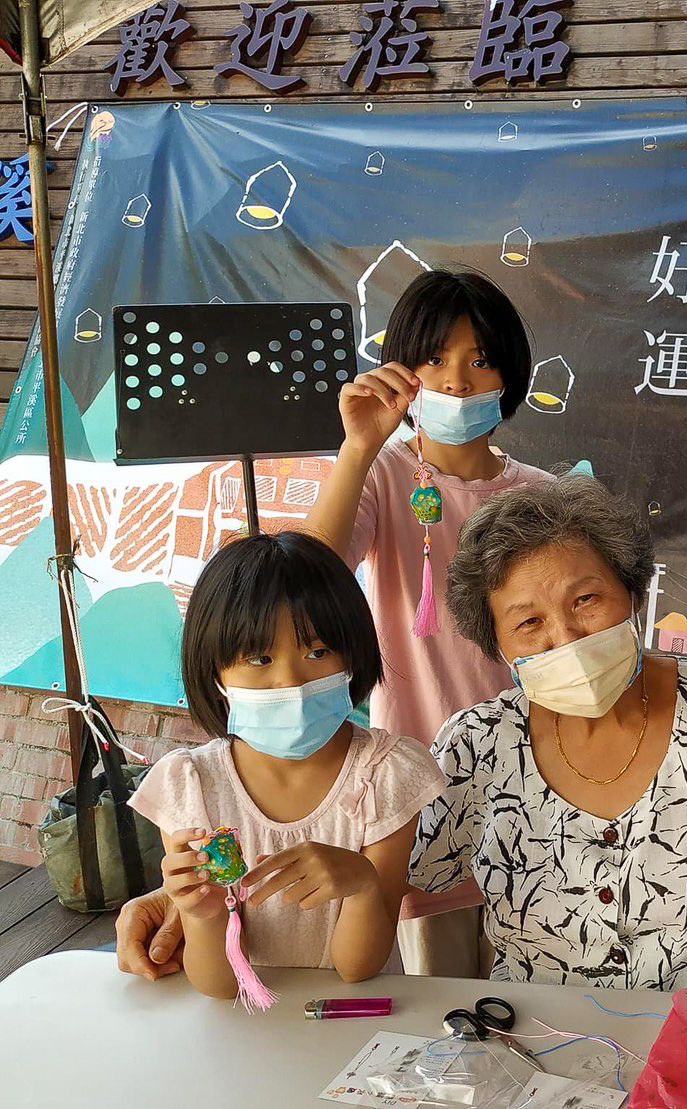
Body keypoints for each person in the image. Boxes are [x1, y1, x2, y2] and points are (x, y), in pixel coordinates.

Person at [115, 268, 551, 981]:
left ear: (511, 372)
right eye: (434, 358)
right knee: (428, 981)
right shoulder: (382, 473)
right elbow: (303, 586)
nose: (456, 380)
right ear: (402, 370)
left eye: (480, 359)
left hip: (525, 780)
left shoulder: (541, 495)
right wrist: (359, 447)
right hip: (411, 786)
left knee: (529, 971)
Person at [409, 473, 687, 994]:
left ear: (633, 594)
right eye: (529, 623)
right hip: (537, 1035)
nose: (566, 638)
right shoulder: (477, 745)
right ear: (498, 647)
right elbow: (400, 875)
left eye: (586, 599)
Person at [127, 532, 444, 997]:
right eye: (259, 658)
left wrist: (363, 885)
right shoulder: (189, 786)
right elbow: (219, 985)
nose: (290, 680)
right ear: (214, 672)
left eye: (317, 652)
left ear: (352, 653)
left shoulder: (386, 774)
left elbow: (358, 969)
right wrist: (202, 913)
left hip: (352, 1020)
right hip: (245, 1027)